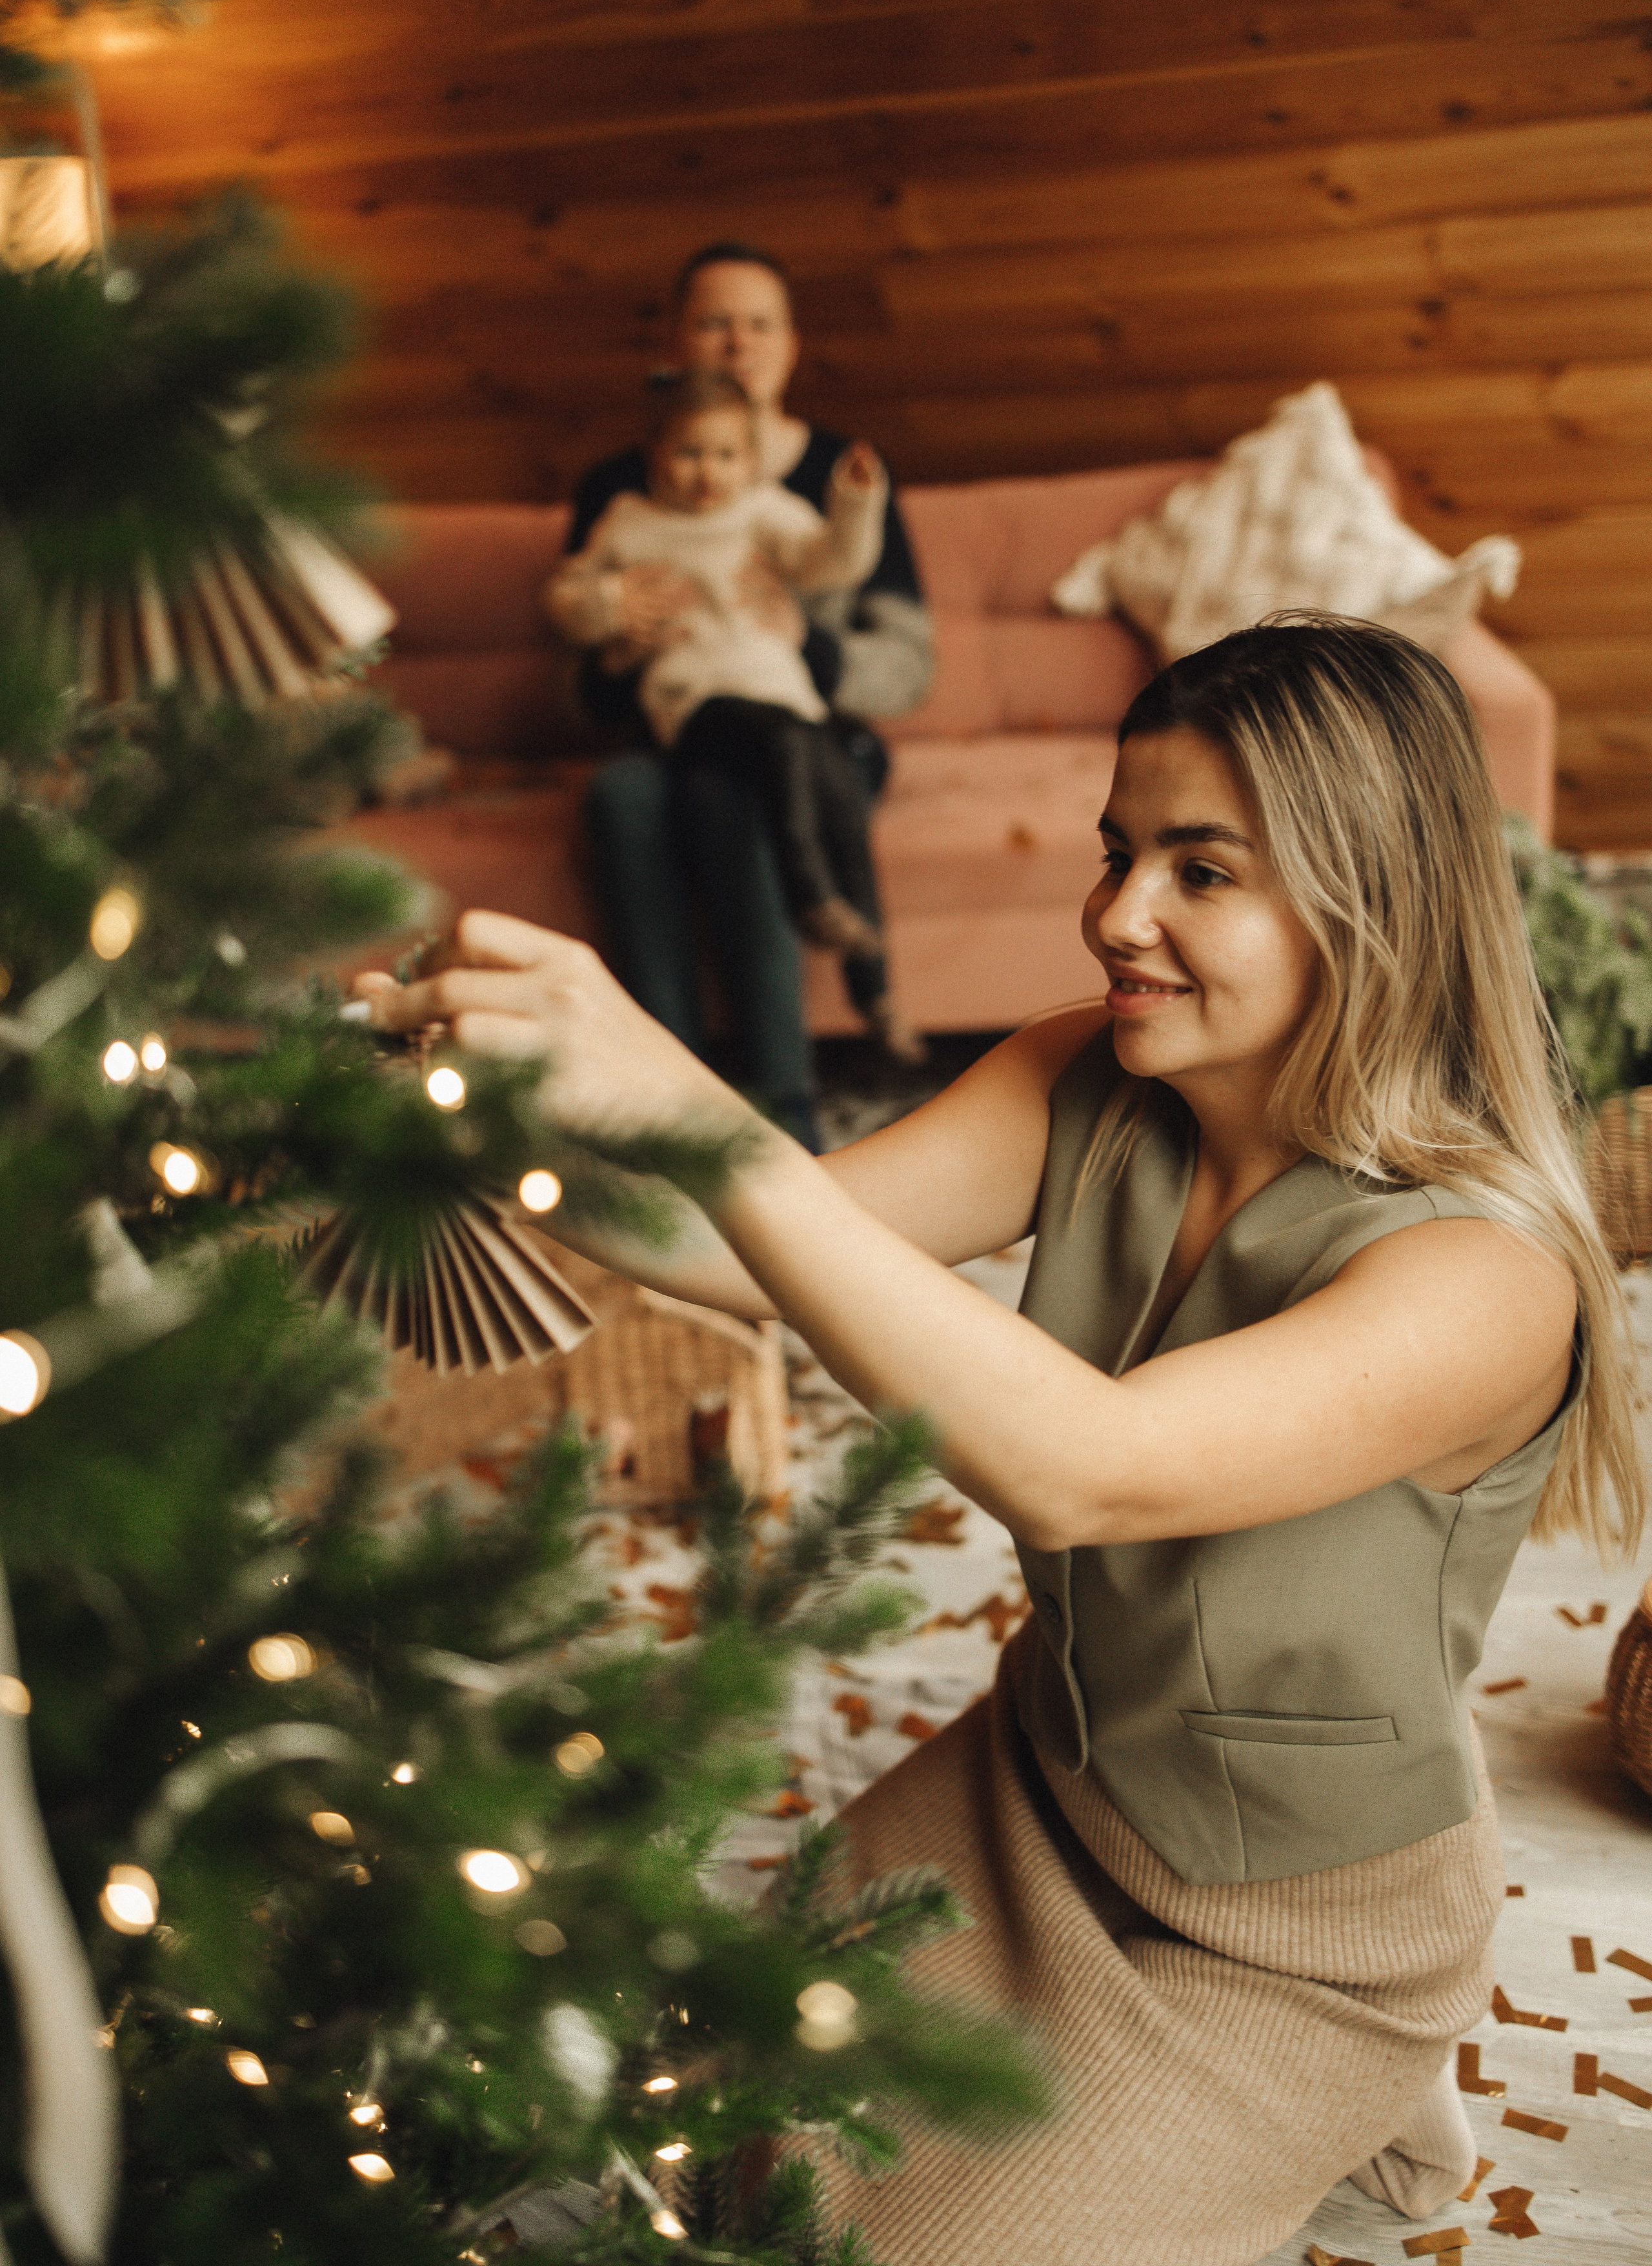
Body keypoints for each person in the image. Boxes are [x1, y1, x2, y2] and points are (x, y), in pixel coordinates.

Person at [356, 618, 1644, 2266]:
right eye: (1119, 853)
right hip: (1036, 1787)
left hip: (1292, 1938)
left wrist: (686, 1098)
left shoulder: (1483, 1277)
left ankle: (1360, 2086)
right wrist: (476, 1114)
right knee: (703, 2122)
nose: (1116, 914)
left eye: (1198, 871)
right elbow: (759, 1241)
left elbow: (1082, 1465)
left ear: (1369, 902)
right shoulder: (1085, 1077)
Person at [564, 241, 933, 1147]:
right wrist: (620, 645)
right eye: (715, 323)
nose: (739, 343)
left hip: (814, 730)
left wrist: (808, 642)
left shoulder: (839, 476)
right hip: (679, 722)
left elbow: (909, 665)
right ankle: (668, 1096)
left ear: (792, 345)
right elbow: (580, 683)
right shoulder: (622, 490)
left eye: (759, 324)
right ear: (677, 344)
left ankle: (781, 1110)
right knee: (622, 794)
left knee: (734, 797)